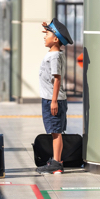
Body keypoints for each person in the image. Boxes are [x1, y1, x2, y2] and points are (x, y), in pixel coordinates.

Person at [36, 18, 73, 174]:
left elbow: (57, 79)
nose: (44, 36)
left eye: (48, 34)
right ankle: (56, 160)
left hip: (53, 99)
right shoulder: (55, 51)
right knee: (54, 131)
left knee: (56, 133)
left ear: (56, 39)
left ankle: (56, 164)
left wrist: (53, 101)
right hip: (52, 98)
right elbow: (52, 37)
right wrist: (48, 28)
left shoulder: (55, 56)